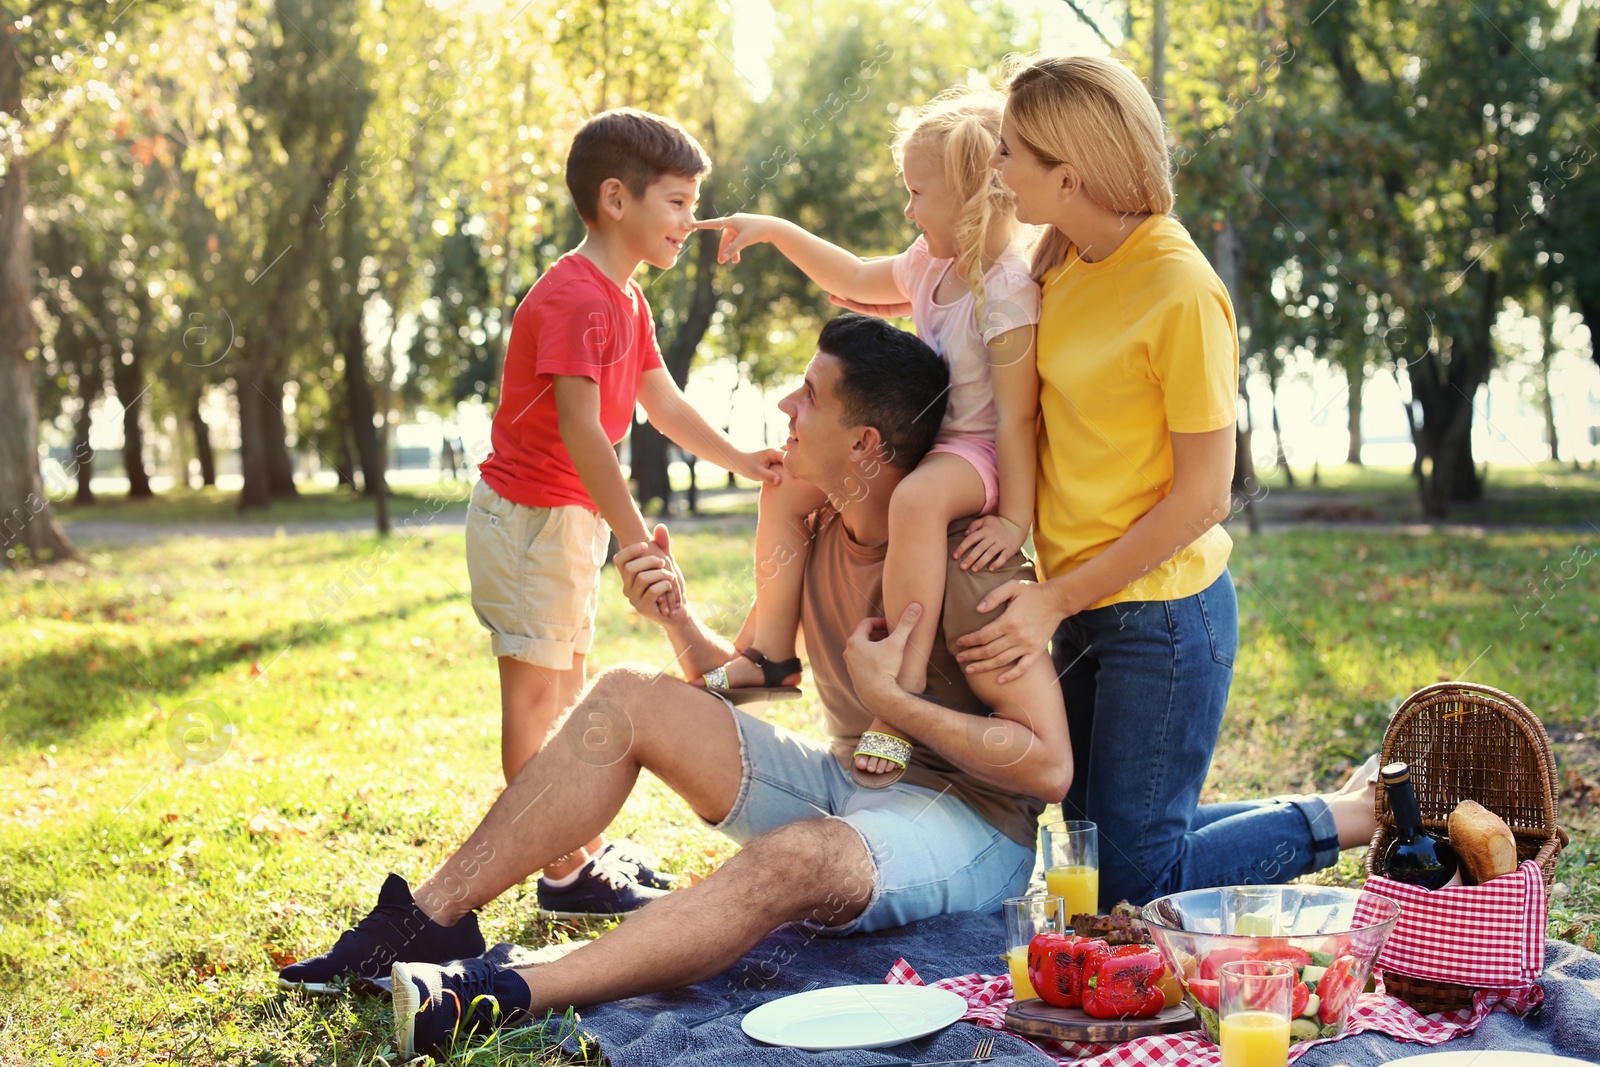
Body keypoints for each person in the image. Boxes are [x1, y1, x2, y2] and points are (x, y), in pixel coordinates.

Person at [279, 314, 1073, 1059]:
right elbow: (760, 672)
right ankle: (425, 922)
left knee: (800, 857)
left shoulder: (973, 567)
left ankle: (500, 991)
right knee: (628, 694)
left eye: (811, 394)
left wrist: (896, 705)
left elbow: (1047, 768)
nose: (787, 404)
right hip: (848, 787)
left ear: (865, 444)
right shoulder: (817, 522)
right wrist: (677, 619)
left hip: (971, 827)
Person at [280, 111, 783, 990]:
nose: (689, 221)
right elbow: (585, 434)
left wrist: (741, 457)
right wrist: (637, 542)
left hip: (568, 521)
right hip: (531, 523)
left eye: (694, 203)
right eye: (676, 202)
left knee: (566, 690)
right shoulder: (573, 297)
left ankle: (574, 860)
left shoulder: (626, 297)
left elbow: (658, 401)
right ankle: (567, 868)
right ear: (614, 198)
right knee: (538, 704)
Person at [952, 54, 1377, 908]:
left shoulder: (1181, 290)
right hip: (1082, 602)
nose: (996, 171)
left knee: (1128, 889)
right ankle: (1345, 806)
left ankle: (1346, 819)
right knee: (1092, 859)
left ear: (1067, 175)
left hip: (1167, 619)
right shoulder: (1059, 261)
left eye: (1009, 153)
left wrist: (1055, 600)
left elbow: (1202, 498)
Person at [692, 88, 1041, 789]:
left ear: (973, 196)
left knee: (914, 501)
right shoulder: (929, 264)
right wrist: (775, 229)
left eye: (918, 194)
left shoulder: (1006, 293)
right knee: (788, 484)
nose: (909, 211)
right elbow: (851, 277)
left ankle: (899, 695)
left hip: (977, 454)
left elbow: (1016, 418)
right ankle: (770, 653)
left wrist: (1013, 517)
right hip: (930, 436)